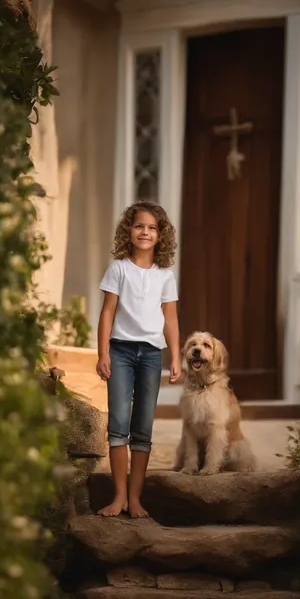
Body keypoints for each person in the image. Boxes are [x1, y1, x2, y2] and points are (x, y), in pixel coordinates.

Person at [96, 201, 181, 518]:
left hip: (150, 355)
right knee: (118, 424)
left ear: (161, 235)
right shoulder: (118, 269)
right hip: (119, 351)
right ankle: (118, 497)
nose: (145, 232)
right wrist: (103, 352)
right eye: (139, 226)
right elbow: (107, 313)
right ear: (128, 231)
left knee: (142, 428)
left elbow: (170, 319)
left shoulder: (164, 276)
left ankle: (135, 500)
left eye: (152, 227)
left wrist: (175, 357)